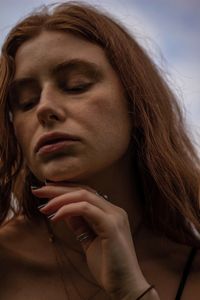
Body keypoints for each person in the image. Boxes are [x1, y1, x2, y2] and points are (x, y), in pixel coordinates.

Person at [0, 2, 199, 299]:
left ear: (136, 103)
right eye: (26, 102)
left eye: (76, 86)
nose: (44, 108)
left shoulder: (190, 272)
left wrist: (134, 293)